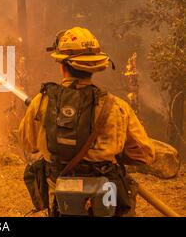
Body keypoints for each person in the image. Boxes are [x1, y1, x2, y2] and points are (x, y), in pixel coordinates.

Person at [19, 27, 155, 217]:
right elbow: (145, 153)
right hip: (106, 198)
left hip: (61, 199)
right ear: (95, 67)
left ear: (62, 65)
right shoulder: (117, 106)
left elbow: (28, 144)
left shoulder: (41, 102)